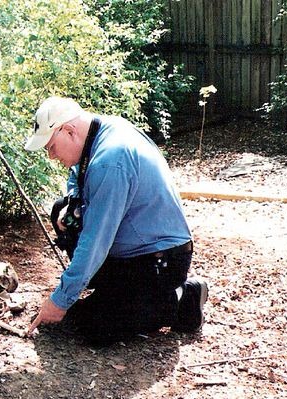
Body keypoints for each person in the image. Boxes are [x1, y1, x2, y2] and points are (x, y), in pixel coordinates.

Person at [24, 96, 208, 344]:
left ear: (68, 131)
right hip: (132, 249)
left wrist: (60, 301)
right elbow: (76, 177)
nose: (51, 156)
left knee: (93, 327)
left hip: (159, 260)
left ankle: (181, 298)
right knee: (61, 209)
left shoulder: (111, 160)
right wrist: (72, 205)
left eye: (51, 147)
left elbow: (95, 241)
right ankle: (116, 293)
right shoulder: (97, 133)